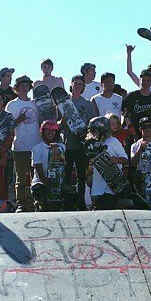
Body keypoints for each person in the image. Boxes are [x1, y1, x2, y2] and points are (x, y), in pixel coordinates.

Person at [6, 75, 41, 212]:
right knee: (20, 178)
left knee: (36, 177)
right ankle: (20, 203)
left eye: (27, 85)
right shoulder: (12, 104)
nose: (24, 87)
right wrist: (18, 119)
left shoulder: (35, 103)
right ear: (16, 87)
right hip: (20, 145)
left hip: (36, 144)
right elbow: (8, 125)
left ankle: (35, 201)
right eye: (21, 85)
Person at [61, 75, 96, 210]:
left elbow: (92, 124)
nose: (78, 85)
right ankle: (67, 202)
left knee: (82, 175)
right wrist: (63, 120)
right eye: (75, 83)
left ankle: (81, 201)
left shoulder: (87, 104)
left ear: (83, 86)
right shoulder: (64, 103)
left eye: (80, 84)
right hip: (68, 143)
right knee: (67, 173)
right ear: (71, 84)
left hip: (82, 144)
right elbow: (59, 125)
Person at [87, 116, 128, 210]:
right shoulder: (92, 145)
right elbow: (90, 169)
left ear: (102, 130)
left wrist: (115, 160)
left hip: (110, 188)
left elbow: (125, 159)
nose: (93, 133)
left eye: (95, 130)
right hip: (96, 188)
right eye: (92, 131)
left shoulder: (113, 141)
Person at [31, 120, 66, 211]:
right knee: (39, 191)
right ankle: (39, 205)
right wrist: (45, 181)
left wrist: (58, 149)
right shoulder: (37, 148)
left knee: (70, 195)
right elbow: (37, 166)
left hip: (58, 181)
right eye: (47, 130)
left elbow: (63, 163)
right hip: (42, 181)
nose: (50, 133)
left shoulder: (62, 147)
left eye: (53, 131)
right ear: (43, 132)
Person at [122, 69, 151, 136]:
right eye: (143, 80)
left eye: (148, 80)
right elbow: (126, 116)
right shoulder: (131, 97)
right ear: (140, 80)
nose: (145, 83)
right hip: (134, 133)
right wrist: (134, 134)